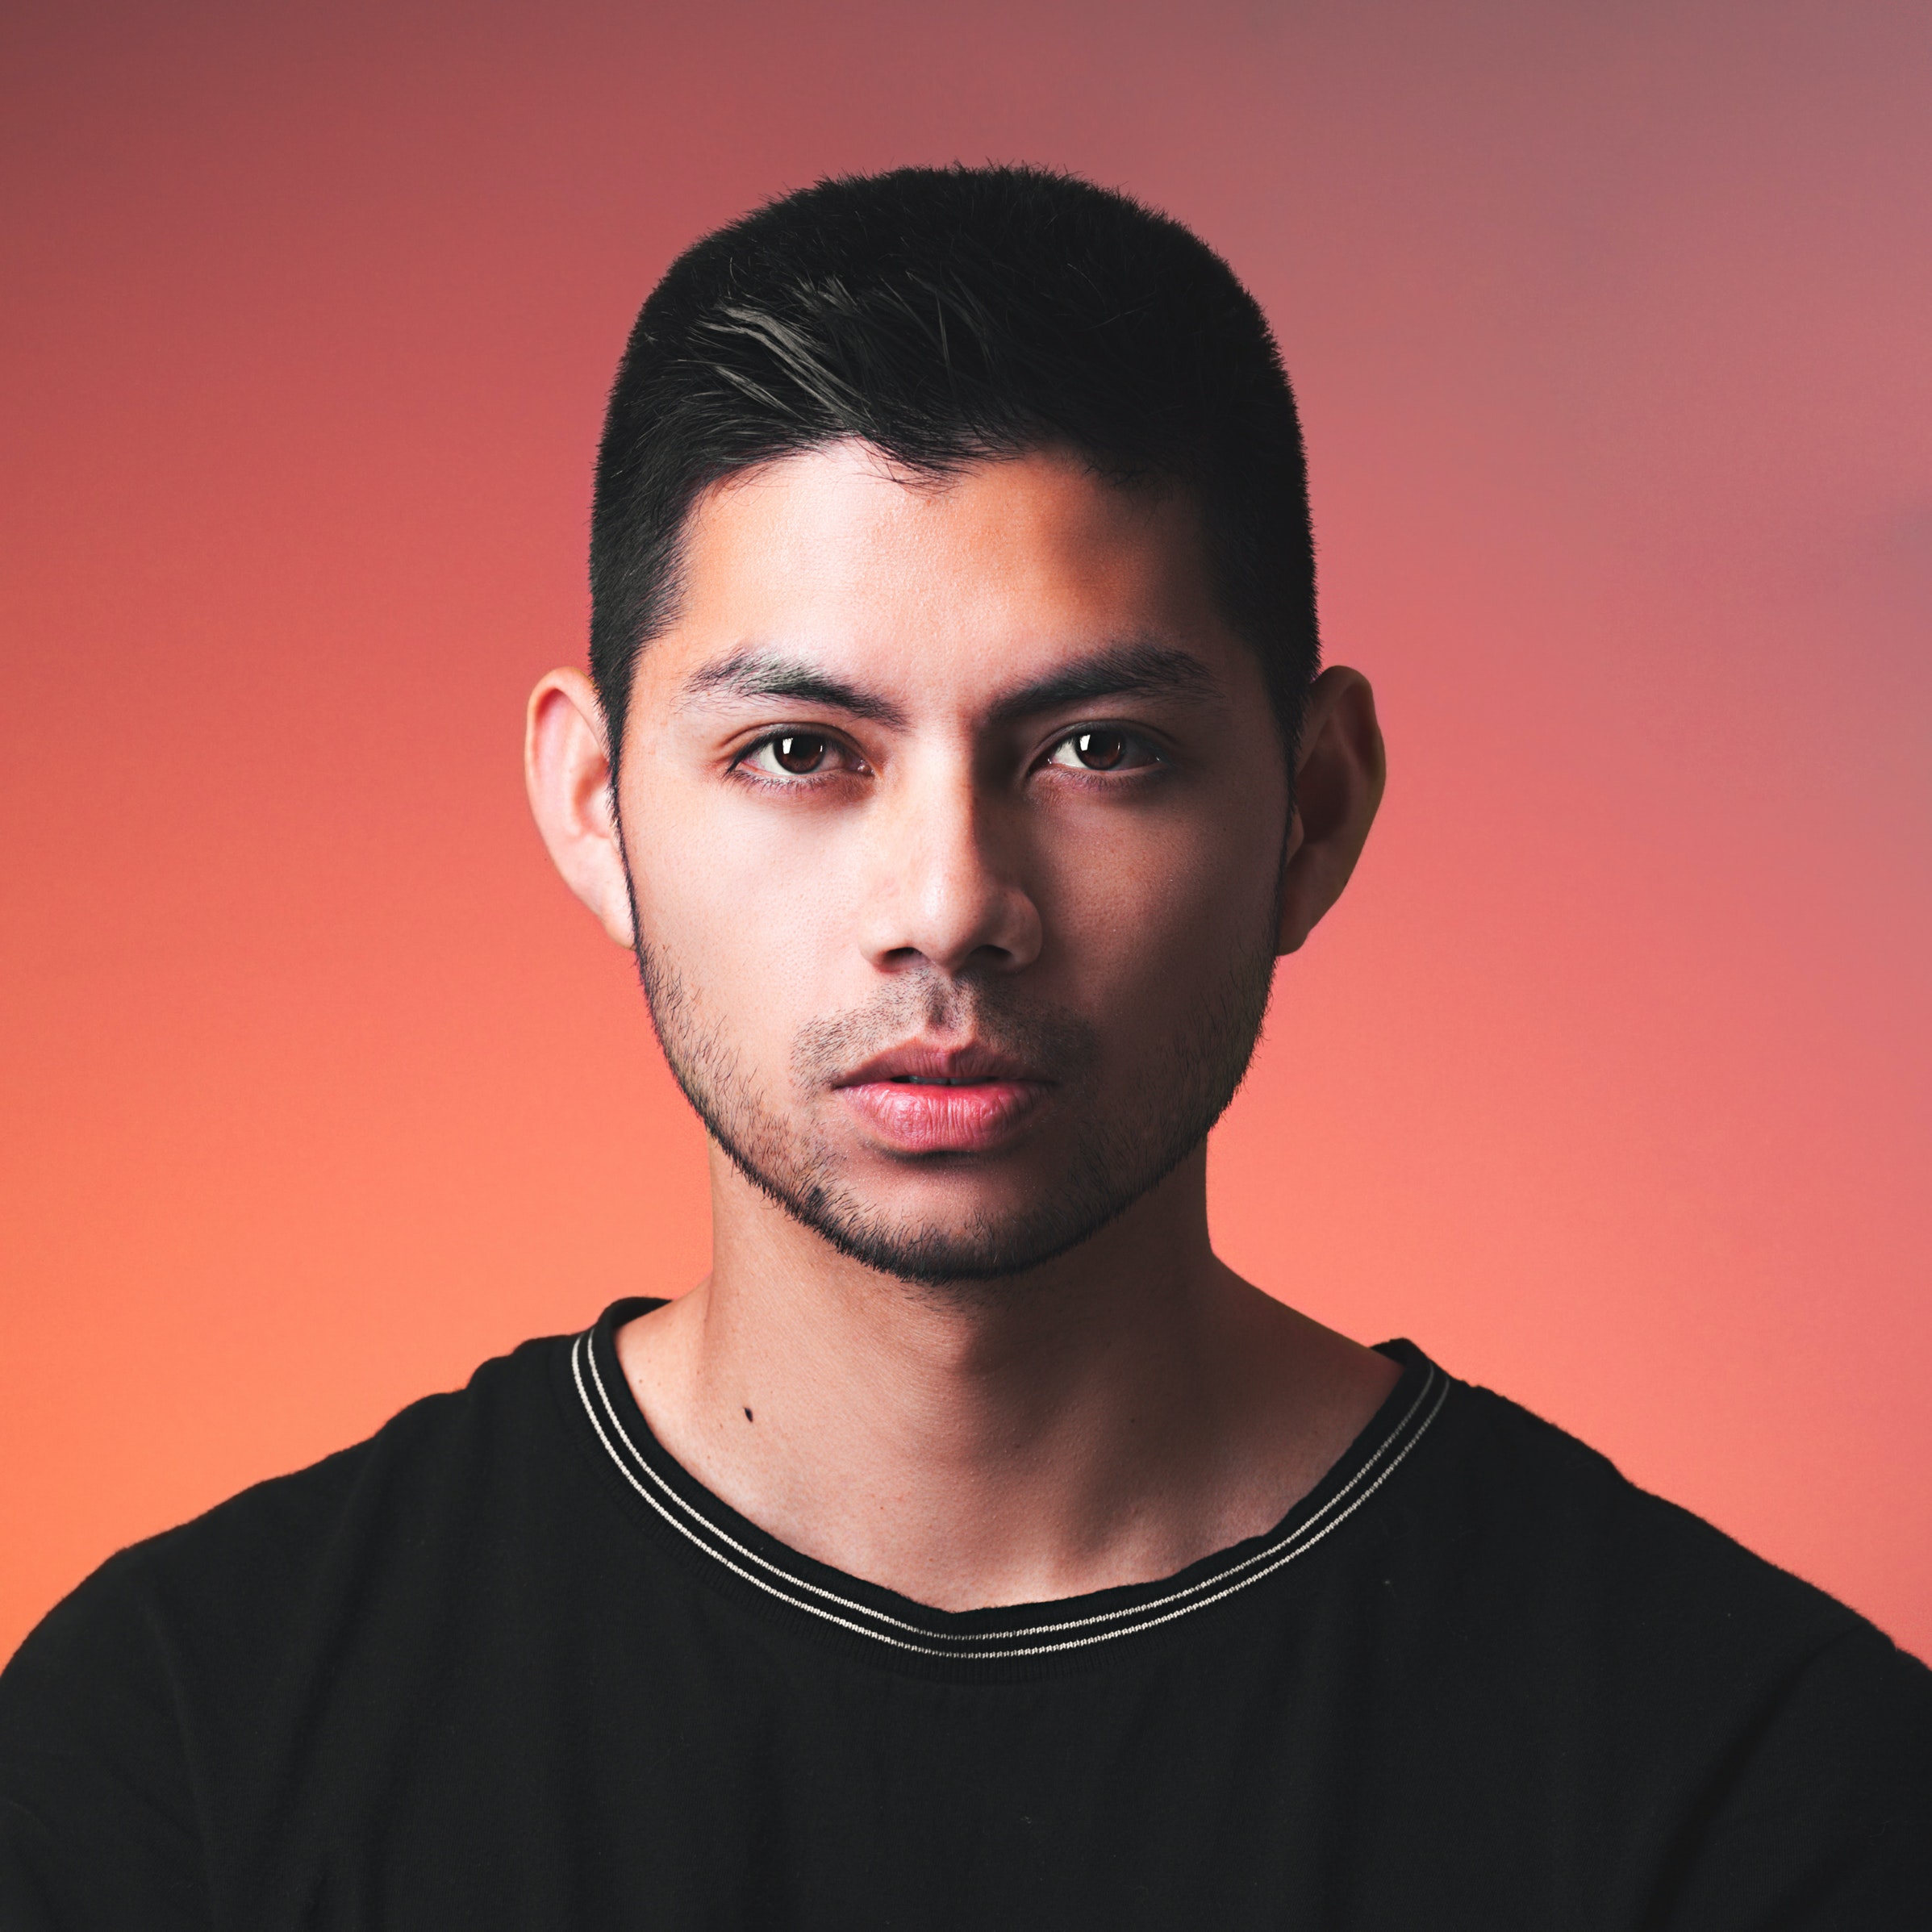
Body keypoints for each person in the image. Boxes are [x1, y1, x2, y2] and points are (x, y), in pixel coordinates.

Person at [1, 164, 1926, 1930]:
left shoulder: (1754, 1784)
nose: (949, 903)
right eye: (798, 752)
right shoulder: (182, 1749)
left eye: (1097, 748)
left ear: (1313, 809)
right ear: (595, 805)